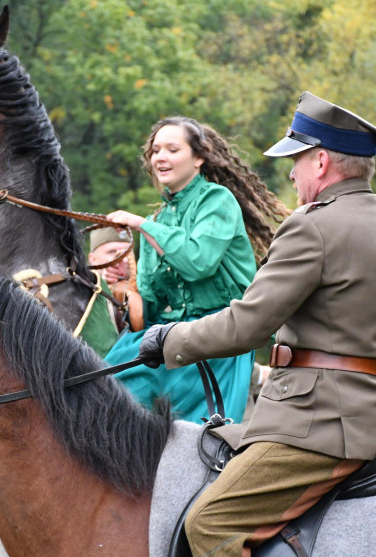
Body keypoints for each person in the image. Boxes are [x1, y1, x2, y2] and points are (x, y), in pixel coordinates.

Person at [137, 92, 376, 557]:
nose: (290, 174)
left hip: (313, 426)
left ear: (321, 161)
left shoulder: (312, 227)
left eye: (296, 160)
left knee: (211, 524)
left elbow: (248, 323)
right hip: (375, 422)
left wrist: (168, 341)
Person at [103, 116, 287, 423]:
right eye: (155, 151)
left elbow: (198, 262)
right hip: (171, 338)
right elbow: (150, 309)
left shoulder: (217, 200)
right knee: (103, 384)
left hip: (219, 339)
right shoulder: (157, 221)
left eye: (172, 149)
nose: (160, 157)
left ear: (199, 157)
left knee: (198, 437)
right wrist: (124, 286)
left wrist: (141, 225)